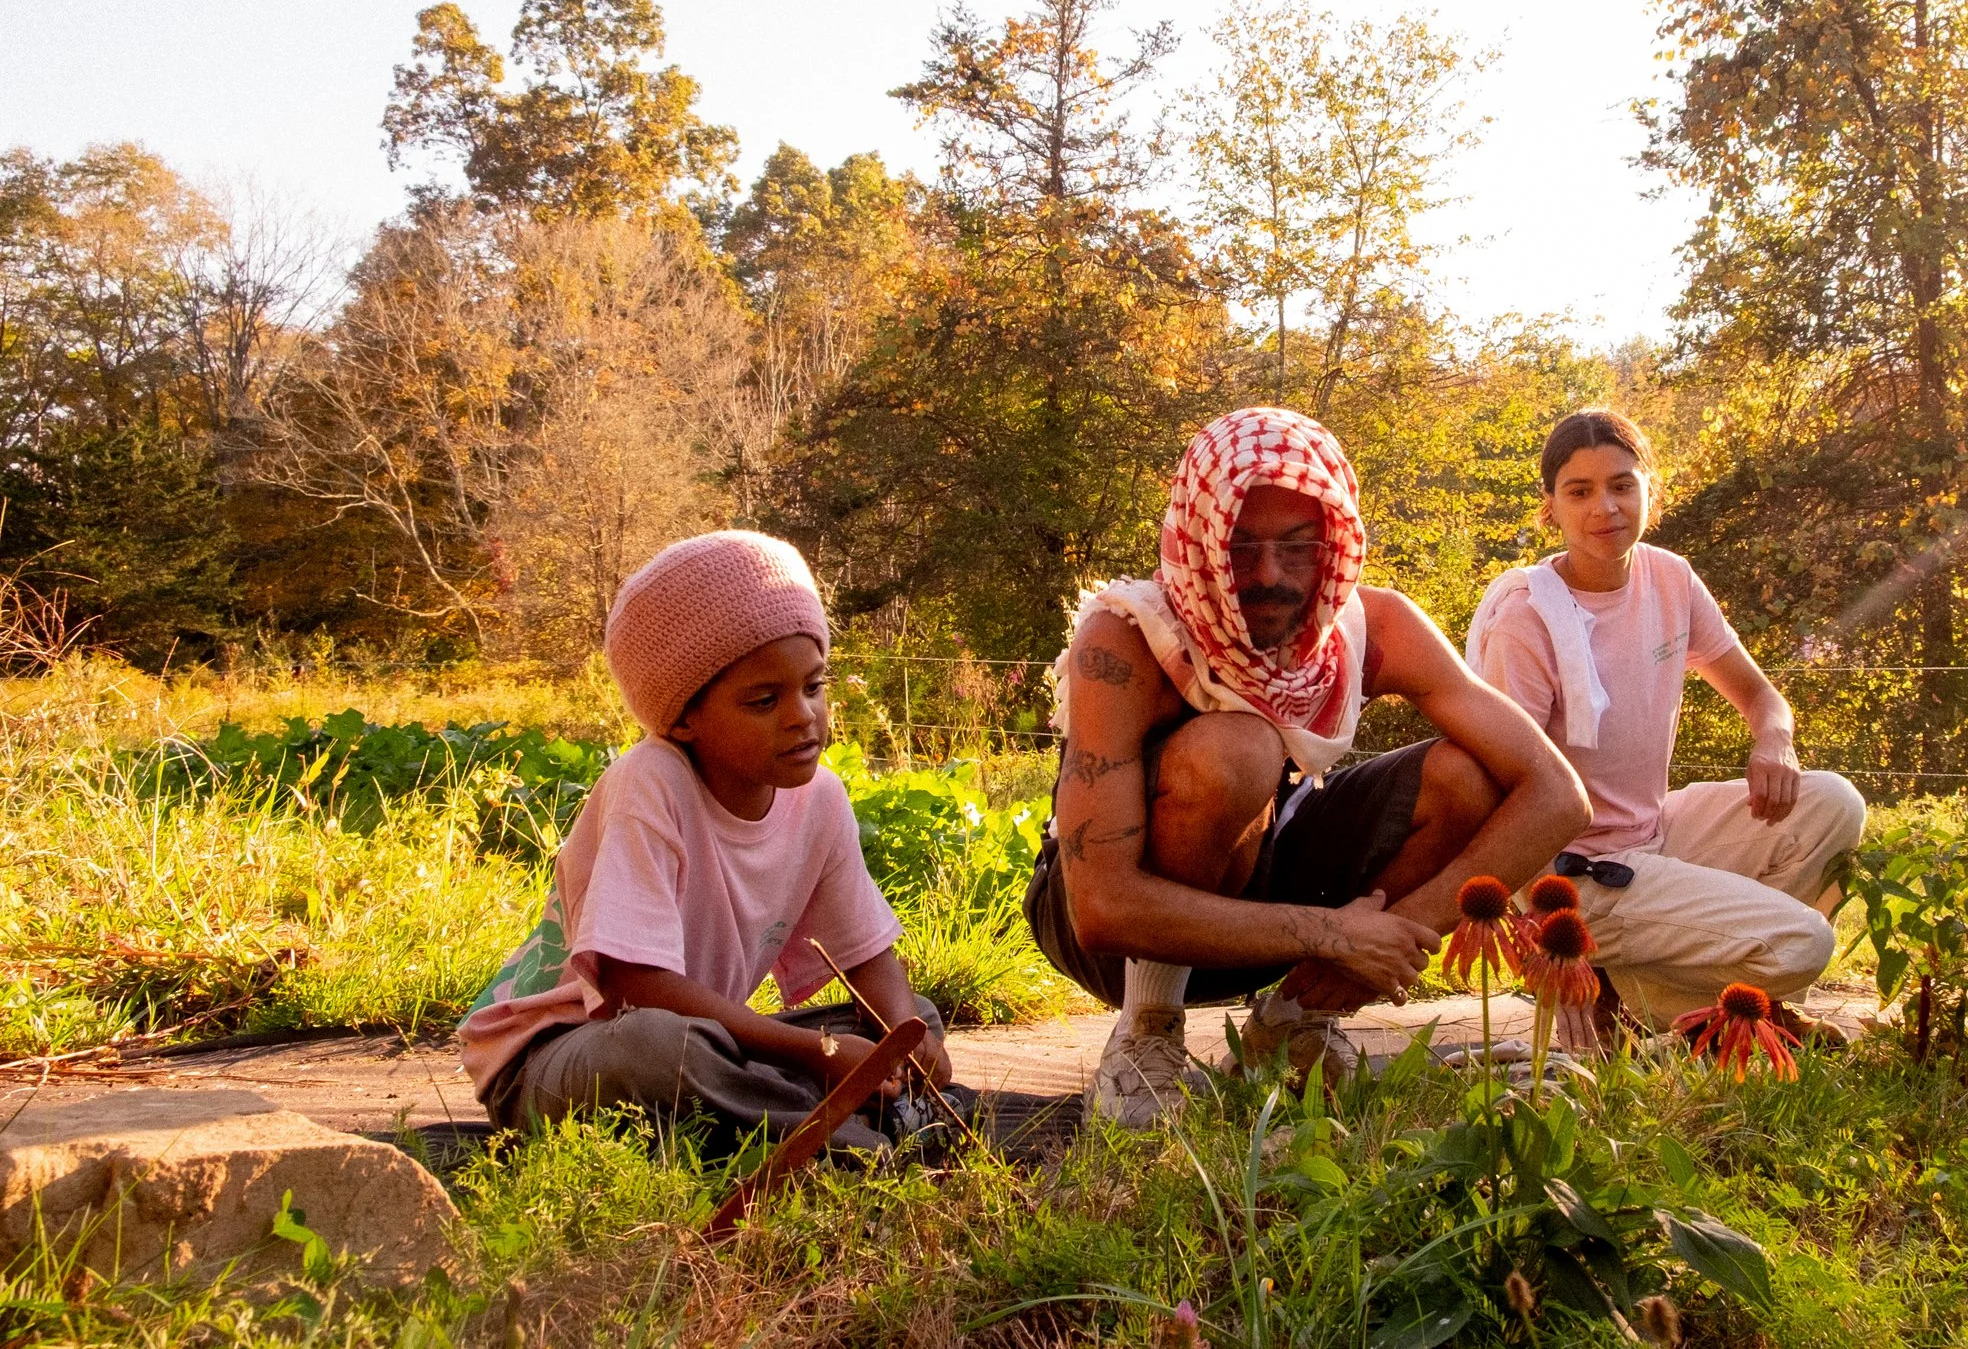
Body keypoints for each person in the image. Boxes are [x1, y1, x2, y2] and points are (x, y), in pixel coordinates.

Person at [1025, 407, 1589, 1126]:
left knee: (1468, 776)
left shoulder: (1373, 628)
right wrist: (1334, 932)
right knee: (1239, 750)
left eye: (1297, 547)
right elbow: (1102, 908)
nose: (1269, 575)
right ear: (1200, 538)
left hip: (1270, 914)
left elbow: (1558, 796)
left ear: (1335, 543)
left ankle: (1294, 1023)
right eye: (1241, 547)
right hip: (1106, 935)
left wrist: (1387, 936)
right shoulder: (1127, 639)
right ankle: (1146, 1036)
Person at [458, 530, 954, 1152]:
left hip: (710, 1043)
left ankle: (816, 1120)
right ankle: (837, 1138)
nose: (803, 715)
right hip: (563, 1058)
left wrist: (905, 1036)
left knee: (913, 1017)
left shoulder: (820, 799)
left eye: (814, 686)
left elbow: (863, 955)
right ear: (684, 717)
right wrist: (821, 1051)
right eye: (764, 699)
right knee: (661, 1052)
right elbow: (633, 989)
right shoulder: (651, 781)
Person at [1464, 409, 1864, 1040]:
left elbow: (1763, 697)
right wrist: (1543, 932)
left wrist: (1774, 742)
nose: (1605, 507)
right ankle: (1696, 1006)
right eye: (1579, 491)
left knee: (1833, 803)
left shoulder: (1669, 576)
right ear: (1550, 508)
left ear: (1651, 488)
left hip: (1654, 829)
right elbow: (1505, 784)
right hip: (1579, 871)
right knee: (1803, 944)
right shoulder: (1528, 618)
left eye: (1622, 485)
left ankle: (1656, 1003)